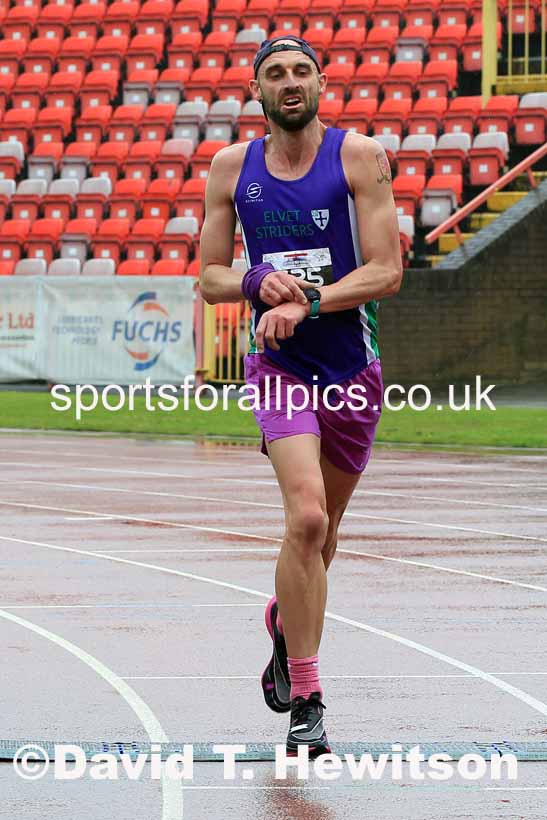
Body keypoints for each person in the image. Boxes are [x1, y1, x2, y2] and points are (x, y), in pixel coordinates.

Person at [199, 35, 403, 757]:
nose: (289, 83)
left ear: (321, 82)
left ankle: (285, 629)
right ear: (257, 92)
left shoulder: (360, 158)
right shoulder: (230, 168)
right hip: (278, 367)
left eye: (301, 72)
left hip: (350, 366)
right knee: (307, 519)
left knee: (326, 535)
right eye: (275, 74)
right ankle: (308, 699)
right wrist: (256, 284)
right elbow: (211, 276)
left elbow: (385, 271)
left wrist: (309, 302)